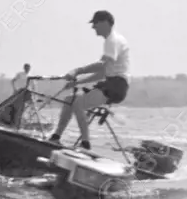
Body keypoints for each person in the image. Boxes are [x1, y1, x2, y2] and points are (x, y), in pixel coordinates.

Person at [50, 10, 130, 151]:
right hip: (111, 82)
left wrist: (77, 71)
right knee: (70, 99)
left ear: (105, 23)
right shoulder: (111, 41)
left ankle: (85, 144)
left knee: (78, 103)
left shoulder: (112, 41)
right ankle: (56, 137)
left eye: (95, 23)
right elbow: (102, 73)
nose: (93, 27)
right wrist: (77, 82)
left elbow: (101, 66)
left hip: (116, 85)